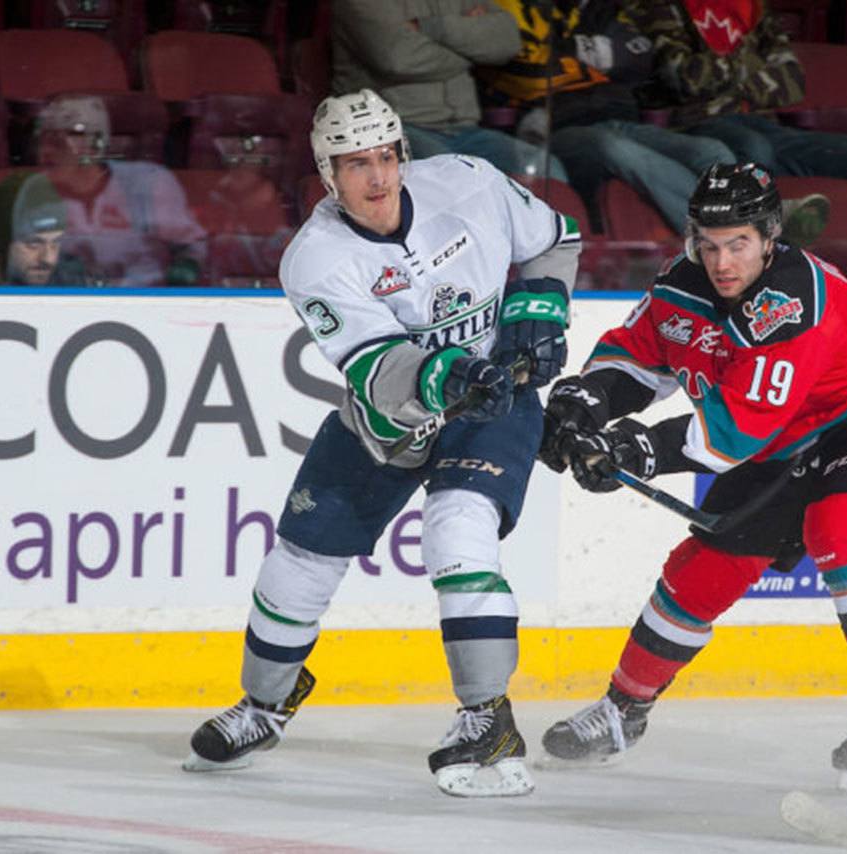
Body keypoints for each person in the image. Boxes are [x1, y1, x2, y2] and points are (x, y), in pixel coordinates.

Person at [183, 89, 581, 798]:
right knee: (300, 558)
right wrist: (453, 372)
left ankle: (487, 719)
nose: (376, 177)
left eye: (385, 157)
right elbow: (378, 372)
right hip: (389, 418)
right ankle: (264, 706)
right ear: (326, 172)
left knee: (457, 530)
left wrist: (538, 313)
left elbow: (555, 239)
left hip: (494, 403)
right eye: (354, 162)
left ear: (404, 153)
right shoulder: (315, 259)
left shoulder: (470, 182)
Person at [537, 162, 847, 793]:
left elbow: (730, 435)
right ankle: (623, 712)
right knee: (704, 566)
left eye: (739, 244)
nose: (722, 261)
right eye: (710, 243)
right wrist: (586, 402)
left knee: (840, 527)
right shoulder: (682, 283)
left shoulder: (792, 303)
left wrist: (635, 449)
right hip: (785, 432)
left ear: (769, 237)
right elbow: (639, 357)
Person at [482, 0, 827, 243]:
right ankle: (726, 236)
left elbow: (639, 60)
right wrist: (595, 55)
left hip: (620, 116)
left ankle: (759, 216)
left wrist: (571, 56)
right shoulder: (513, 9)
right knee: (617, 149)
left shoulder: (594, 9)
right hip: (557, 127)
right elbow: (522, 68)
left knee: (709, 148)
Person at [623, 0, 847, 198]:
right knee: (753, 148)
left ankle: (827, 260)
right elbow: (686, 79)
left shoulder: (752, 8)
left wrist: (722, 75)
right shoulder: (656, 7)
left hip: (767, 127)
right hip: (693, 128)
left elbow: (791, 82)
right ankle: (773, 237)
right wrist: (754, 66)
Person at [331, 0, 569, 182]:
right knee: (454, 179)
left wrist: (430, 29)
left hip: (465, 129)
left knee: (548, 171)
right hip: (393, 129)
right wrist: (472, 49)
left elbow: (508, 39)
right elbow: (398, 59)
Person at [33, 95, 207, 286]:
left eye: (58, 143)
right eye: (42, 141)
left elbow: (193, 246)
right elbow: (26, 266)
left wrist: (187, 265)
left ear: (93, 146)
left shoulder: (149, 182)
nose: (45, 152)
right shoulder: (34, 192)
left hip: (147, 303)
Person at [0, 170, 87, 286]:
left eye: (55, 243)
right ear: (4, 241)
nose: (49, 259)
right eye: (33, 244)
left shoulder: (70, 281)